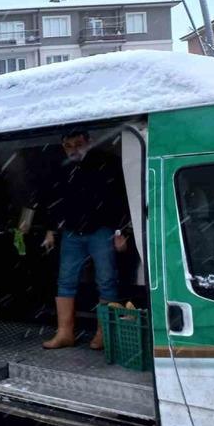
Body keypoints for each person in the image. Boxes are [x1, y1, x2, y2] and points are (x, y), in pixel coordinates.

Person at [40, 129, 128, 350]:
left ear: (89, 141)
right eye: (68, 145)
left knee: (106, 281)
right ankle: (65, 333)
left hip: (102, 230)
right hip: (71, 232)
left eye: (78, 144)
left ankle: (104, 334)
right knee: (65, 282)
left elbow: (119, 198)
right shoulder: (60, 167)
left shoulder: (107, 162)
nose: (74, 149)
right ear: (63, 146)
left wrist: (120, 231)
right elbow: (52, 199)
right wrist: (50, 229)